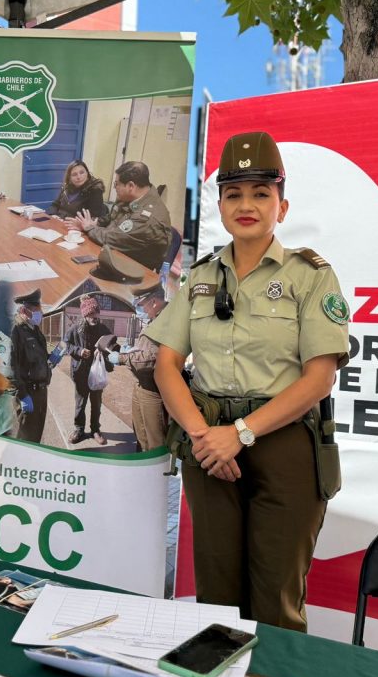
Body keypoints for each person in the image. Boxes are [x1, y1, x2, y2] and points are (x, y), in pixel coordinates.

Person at [148, 131, 350, 633]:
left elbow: (319, 378)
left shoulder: (310, 276)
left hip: (284, 444)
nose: (246, 205)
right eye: (233, 194)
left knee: (275, 601)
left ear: (283, 206)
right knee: (216, 599)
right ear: (219, 205)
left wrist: (239, 434)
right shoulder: (199, 278)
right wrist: (204, 437)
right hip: (208, 448)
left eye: (261, 193)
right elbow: (166, 365)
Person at [65, 161, 171, 270]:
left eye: (116, 184)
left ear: (130, 186)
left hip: (133, 268)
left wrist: (89, 228)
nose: (115, 188)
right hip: (114, 253)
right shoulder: (131, 197)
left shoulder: (146, 218)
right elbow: (111, 218)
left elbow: (113, 239)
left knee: (73, 268)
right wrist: (94, 223)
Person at [109, 282, 168, 451]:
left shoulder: (166, 322)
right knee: (141, 435)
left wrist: (123, 358)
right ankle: (141, 463)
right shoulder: (155, 319)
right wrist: (133, 350)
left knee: (155, 441)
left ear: (154, 302)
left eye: (141, 305)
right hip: (141, 384)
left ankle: (153, 468)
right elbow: (148, 349)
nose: (139, 309)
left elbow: (153, 358)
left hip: (153, 389)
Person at [63, 295, 112, 446]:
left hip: (97, 374)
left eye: (96, 313)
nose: (94, 317)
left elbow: (112, 343)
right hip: (80, 373)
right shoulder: (75, 329)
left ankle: (95, 430)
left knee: (96, 403)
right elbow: (65, 344)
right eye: (91, 314)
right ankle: (79, 429)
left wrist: (103, 350)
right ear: (84, 314)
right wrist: (78, 351)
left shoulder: (103, 329)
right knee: (80, 403)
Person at [10, 288, 50, 443]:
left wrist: (51, 359)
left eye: (39, 310)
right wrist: (22, 395)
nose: (40, 314)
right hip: (28, 393)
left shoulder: (36, 331)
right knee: (26, 437)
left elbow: (40, 357)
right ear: (23, 310)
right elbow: (11, 367)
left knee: (37, 434)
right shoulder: (16, 331)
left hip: (41, 391)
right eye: (36, 310)